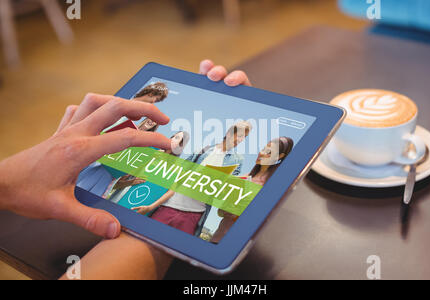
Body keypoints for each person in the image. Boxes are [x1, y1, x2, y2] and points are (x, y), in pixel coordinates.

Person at [0, 59, 252, 279]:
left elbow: (194, 185)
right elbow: (175, 183)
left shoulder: (224, 158)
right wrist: (160, 234)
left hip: (182, 211)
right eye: (149, 101)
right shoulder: (190, 148)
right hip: (146, 202)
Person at [75, 82, 169, 197]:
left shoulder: (147, 143)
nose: (154, 101)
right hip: (91, 164)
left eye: (157, 100)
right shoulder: (125, 121)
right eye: (155, 97)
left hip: (108, 176)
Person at [210, 137, 294, 243]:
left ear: (280, 156)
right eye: (263, 149)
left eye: (268, 152)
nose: (262, 153)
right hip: (218, 237)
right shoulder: (243, 179)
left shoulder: (273, 186)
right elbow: (221, 211)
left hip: (240, 242)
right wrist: (228, 210)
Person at [106, 131, 190, 207]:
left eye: (177, 138)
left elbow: (171, 192)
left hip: (143, 203)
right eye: (172, 136)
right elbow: (120, 180)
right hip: (122, 196)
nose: (171, 139)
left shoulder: (174, 168)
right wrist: (128, 182)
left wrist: (151, 207)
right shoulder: (152, 151)